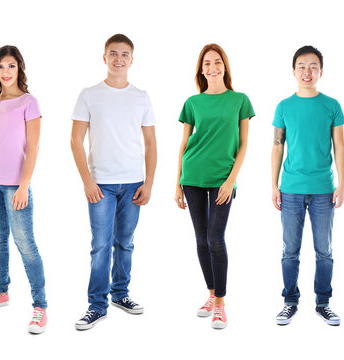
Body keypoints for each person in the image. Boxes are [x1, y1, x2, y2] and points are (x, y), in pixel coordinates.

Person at [71, 34, 157, 331]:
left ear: (131, 60)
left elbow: (151, 143)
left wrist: (149, 182)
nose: (118, 59)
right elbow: (75, 141)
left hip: (134, 182)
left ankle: (121, 294)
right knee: (101, 245)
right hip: (102, 185)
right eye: (113, 53)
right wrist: (87, 182)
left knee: (125, 243)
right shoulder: (89, 94)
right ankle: (97, 305)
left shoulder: (141, 97)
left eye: (124, 54)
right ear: (104, 57)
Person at [174, 44, 254, 330]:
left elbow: (244, 144)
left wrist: (231, 180)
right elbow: (184, 145)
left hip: (223, 178)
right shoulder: (192, 103)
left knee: (215, 239)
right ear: (201, 70)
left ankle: (220, 303)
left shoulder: (240, 100)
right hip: (192, 175)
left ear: (225, 66)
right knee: (200, 239)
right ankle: (210, 295)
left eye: (217, 62)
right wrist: (177, 183)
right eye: (207, 63)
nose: (212, 68)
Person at [0, 45, 48, 334]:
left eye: (11, 66)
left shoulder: (29, 102)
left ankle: (40, 306)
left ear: (19, 69)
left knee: (26, 244)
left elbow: (34, 146)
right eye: (1, 66)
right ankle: (1, 291)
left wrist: (24, 185)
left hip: (16, 185)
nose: (5, 72)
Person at [271, 45, 344, 326]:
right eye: (301, 66)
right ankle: (290, 302)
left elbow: (339, 146)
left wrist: (342, 184)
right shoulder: (283, 107)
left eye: (313, 66)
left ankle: (323, 303)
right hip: (290, 188)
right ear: (293, 71)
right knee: (290, 250)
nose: (307, 71)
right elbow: (277, 147)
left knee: (324, 251)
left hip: (324, 189)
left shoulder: (332, 105)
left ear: (321, 72)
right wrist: (273, 185)